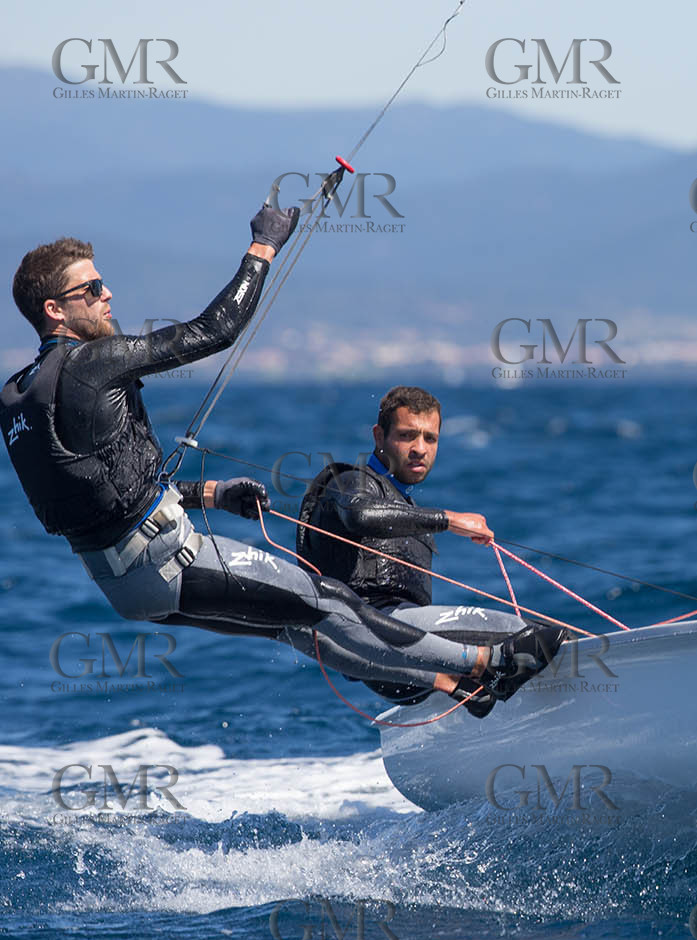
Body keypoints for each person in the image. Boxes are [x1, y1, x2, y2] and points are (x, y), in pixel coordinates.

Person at [1, 208, 563, 715]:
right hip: (168, 562)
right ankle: (489, 664)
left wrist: (216, 496)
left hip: (125, 589)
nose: (108, 295)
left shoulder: (17, 397)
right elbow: (212, 331)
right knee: (332, 602)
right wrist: (263, 248)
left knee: (307, 629)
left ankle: (448, 683)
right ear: (55, 310)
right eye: (92, 287)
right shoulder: (91, 363)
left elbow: (103, 491)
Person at [296, 386, 531, 710]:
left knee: (515, 663)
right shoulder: (349, 481)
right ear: (379, 437)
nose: (420, 448)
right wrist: (447, 519)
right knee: (532, 639)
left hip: (413, 665)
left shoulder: (404, 505)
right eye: (407, 436)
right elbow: (359, 514)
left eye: (430, 438)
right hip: (374, 632)